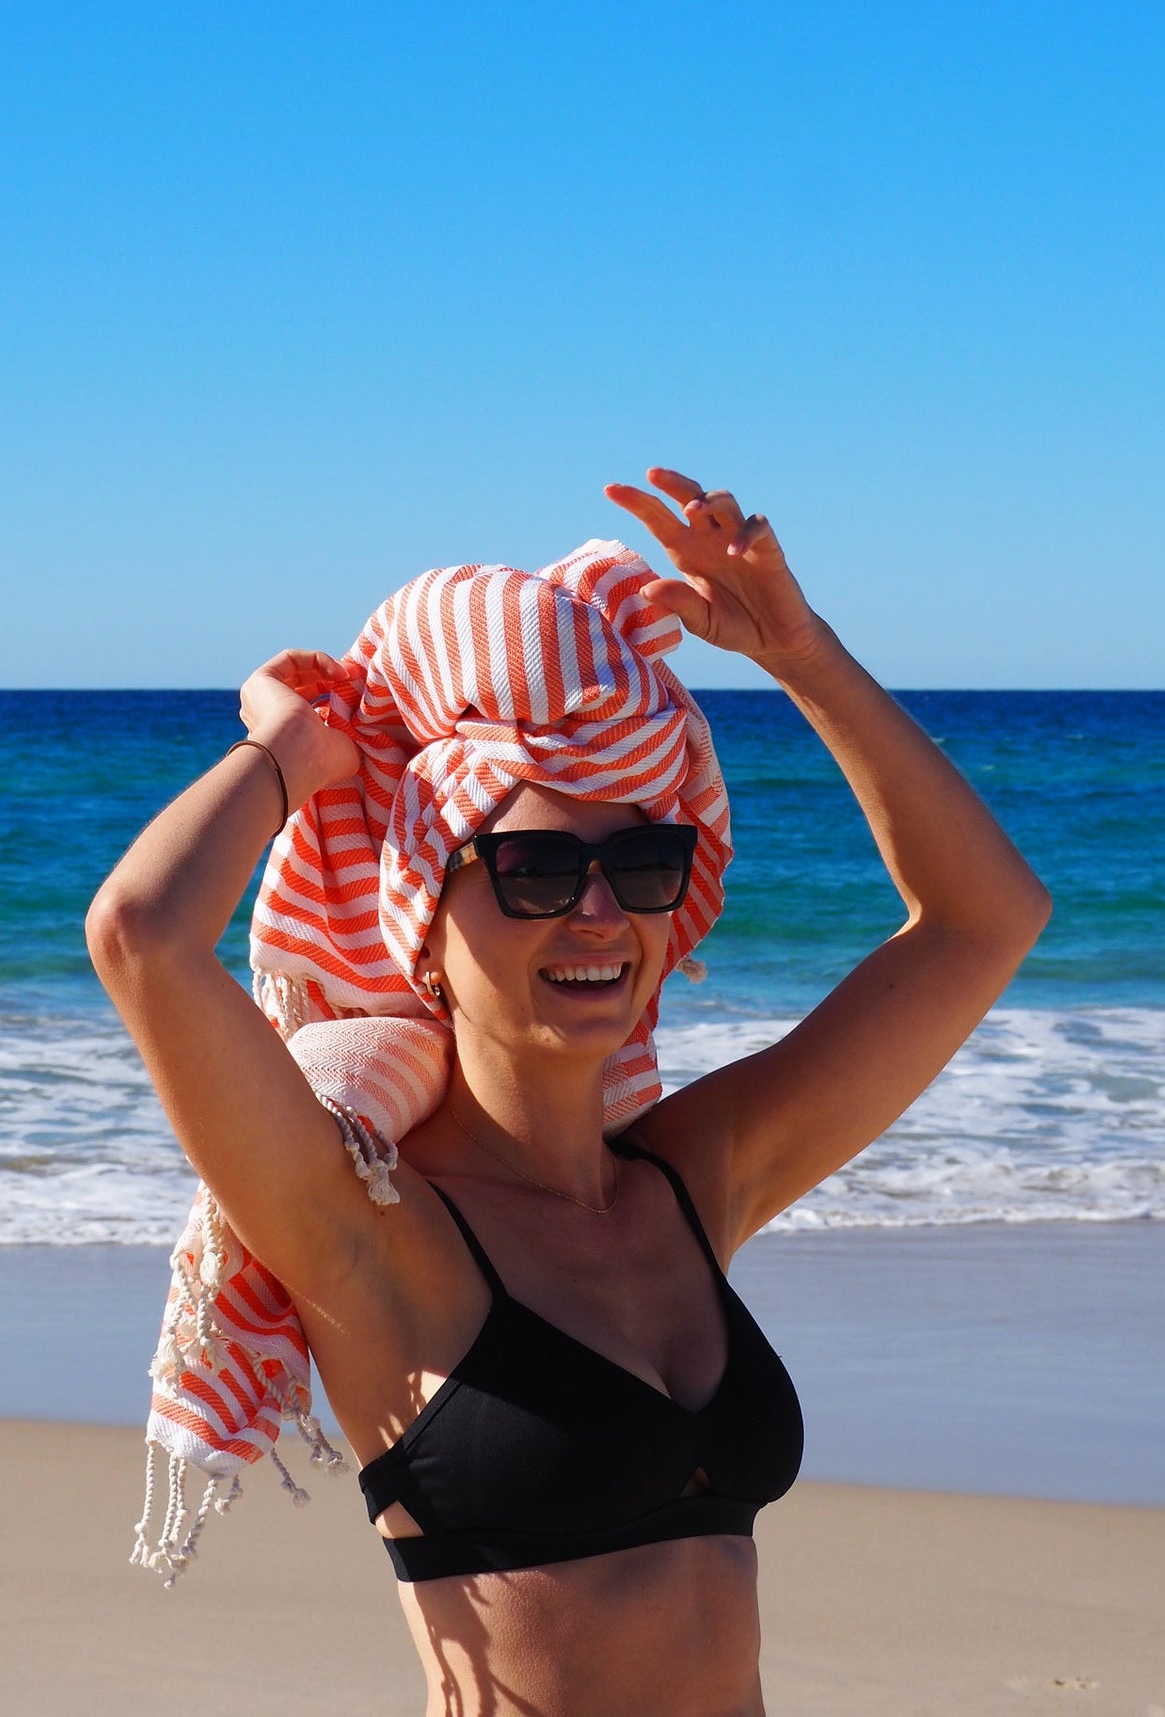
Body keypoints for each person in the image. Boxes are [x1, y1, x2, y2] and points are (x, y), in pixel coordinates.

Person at [86, 468, 1050, 1717]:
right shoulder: (371, 1230)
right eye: (534, 868)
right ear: (422, 926)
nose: (598, 910)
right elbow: (143, 934)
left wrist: (799, 653)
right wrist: (291, 756)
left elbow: (984, 920)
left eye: (641, 862)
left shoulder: (689, 1178)